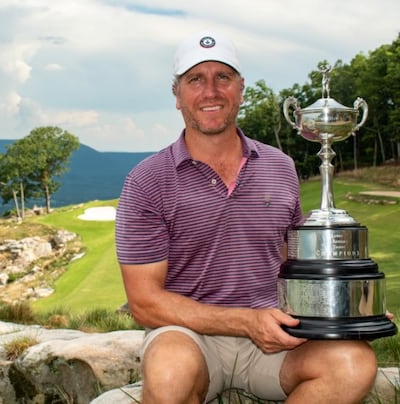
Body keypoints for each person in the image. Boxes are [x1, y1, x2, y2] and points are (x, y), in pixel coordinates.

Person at [115, 31, 379, 404]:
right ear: (177, 95)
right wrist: (244, 321)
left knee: (354, 365)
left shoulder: (280, 166)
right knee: (169, 371)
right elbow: (144, 302)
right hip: (189, 336)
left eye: (223, 77)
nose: (210, 91)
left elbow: (295, 263)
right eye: (195, 79)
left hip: (274, 340)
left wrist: (350, 305)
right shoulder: (148, 179)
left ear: (240, 88)